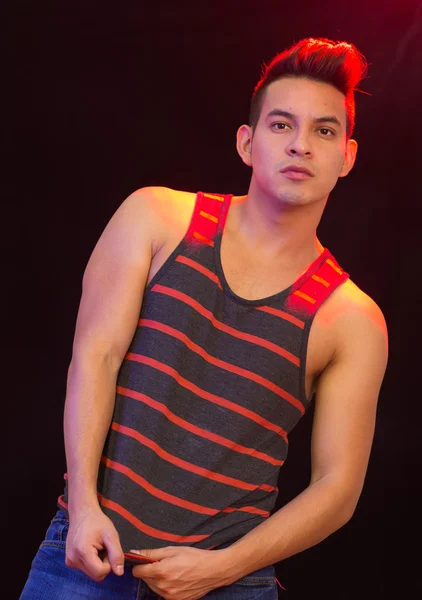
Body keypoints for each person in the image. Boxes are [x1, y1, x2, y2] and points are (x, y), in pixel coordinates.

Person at [20, 37, 388, 600]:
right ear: (247, 142)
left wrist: (223, 568)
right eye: (281, 125)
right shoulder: (156, 217)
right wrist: (86, 507)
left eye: (325, 130)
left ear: (348, 155)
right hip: (89, 552)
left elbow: (336, 487)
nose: (302, 146)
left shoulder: (352, 317)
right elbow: (96, 357)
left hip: (230, 582)